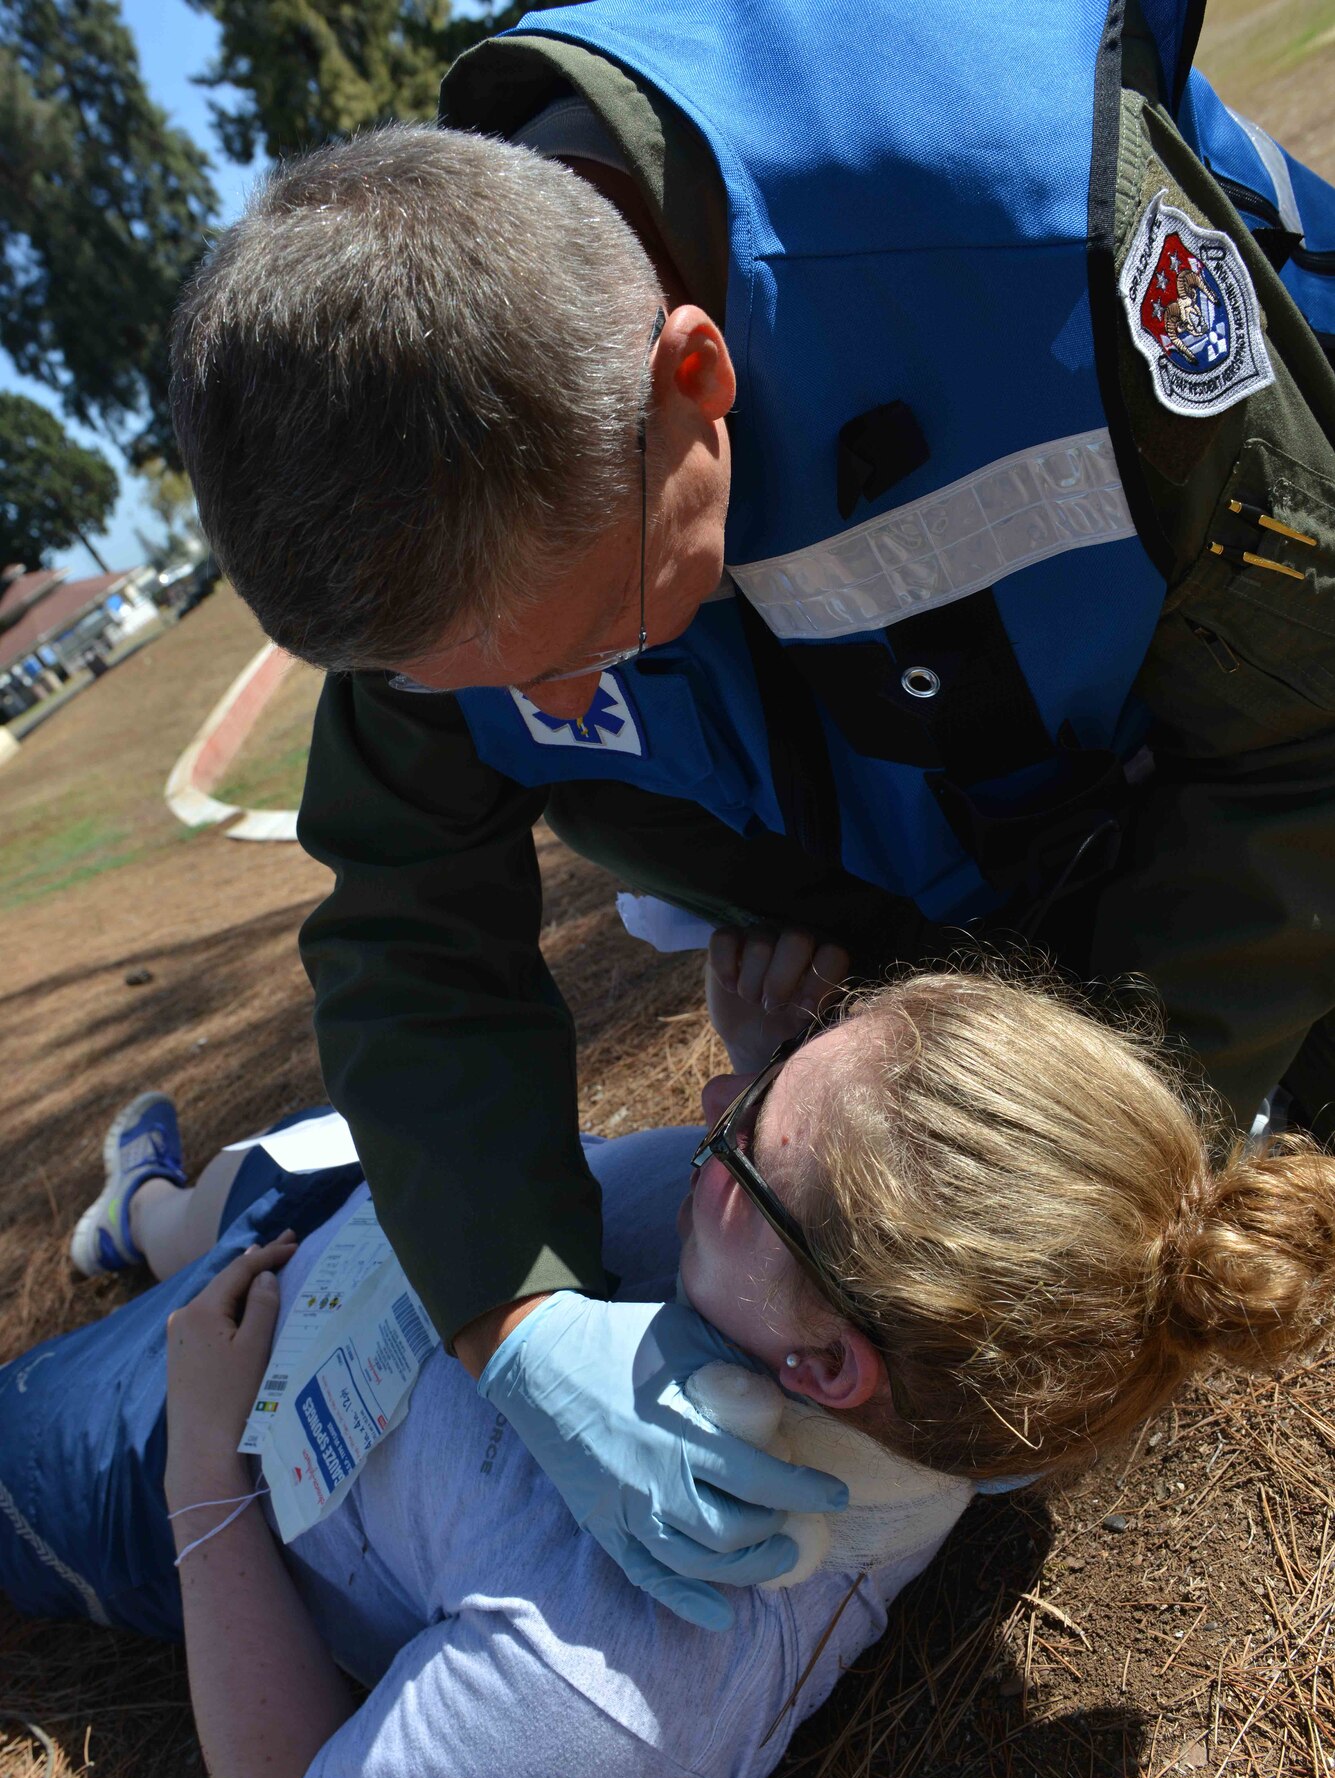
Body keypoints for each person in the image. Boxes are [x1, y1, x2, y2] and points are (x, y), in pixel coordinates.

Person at [166, 0, 1335, 1610]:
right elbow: (406, 914)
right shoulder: (437, 477)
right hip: (943, 832)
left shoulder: (1022, 234)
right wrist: (519, 1318)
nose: (572, 706)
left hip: (1179, 749)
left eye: (592, 641)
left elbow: (1302, 741)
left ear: (692, 376)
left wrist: (1078, 1140)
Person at [9, 968, 1335, 1778]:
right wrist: (780, 1085)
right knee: (260, 1180)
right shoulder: (959, 1367)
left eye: (747, 1137)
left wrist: (201, 1473)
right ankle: (150, 1210)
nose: (709, 1108)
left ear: (825, 1369)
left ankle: (156, 1233)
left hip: (171, 1436)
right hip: (370, 1213)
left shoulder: (612, 1689)